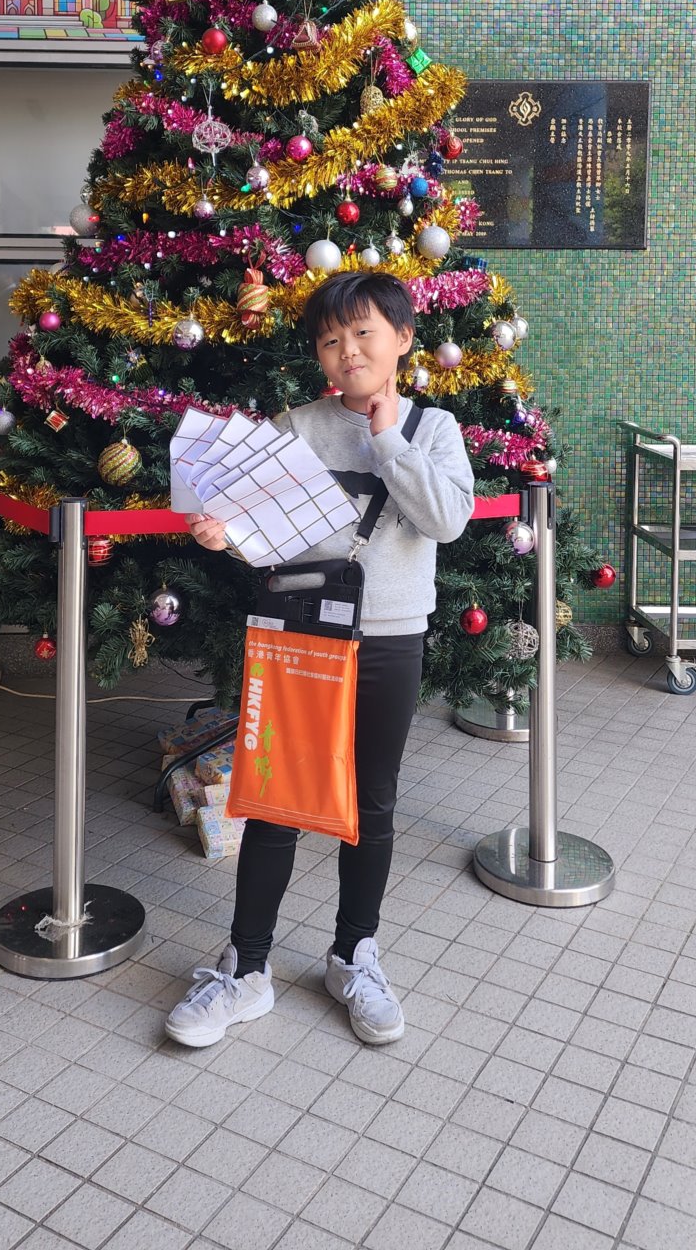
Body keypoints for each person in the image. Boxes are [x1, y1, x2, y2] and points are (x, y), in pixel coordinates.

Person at [164, 271, 475, 1050]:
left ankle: (354, 955)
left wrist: (388, 440)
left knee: (372, 804)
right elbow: (265, 542)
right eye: (332, 340)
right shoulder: (294, 428)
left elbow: (446, 521)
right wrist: (224, 537)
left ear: (403, 338)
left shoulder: (435, 428)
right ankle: (247, 970)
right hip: (299, 635)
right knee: (276, 801)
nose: (348, 351)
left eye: (364, 333)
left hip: (391, 637)